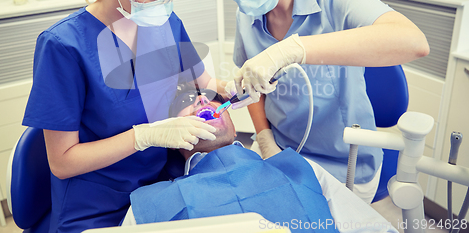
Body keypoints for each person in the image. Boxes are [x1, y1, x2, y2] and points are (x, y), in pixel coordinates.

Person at [22, 0, 228, 233]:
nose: (167, 4)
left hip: (162, 183)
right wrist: (143, 136)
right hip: (98, 206)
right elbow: (62, 163)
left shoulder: (165, 22)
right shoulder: (63, 47)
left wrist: (235, 86)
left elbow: (204, 84)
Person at [211, 0, 430, 203]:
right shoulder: (247, 14)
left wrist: (291, 50)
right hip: (279, 149)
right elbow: (256, 89)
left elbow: (414, 42)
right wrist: (264, 140)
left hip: (345, 163)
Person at [121, 85, 399, 233]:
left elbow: (373, 228)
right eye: (186, 103)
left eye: (209, 98)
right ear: (169, 132)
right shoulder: (149, 203)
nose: (204, 103)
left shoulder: (299, 168)